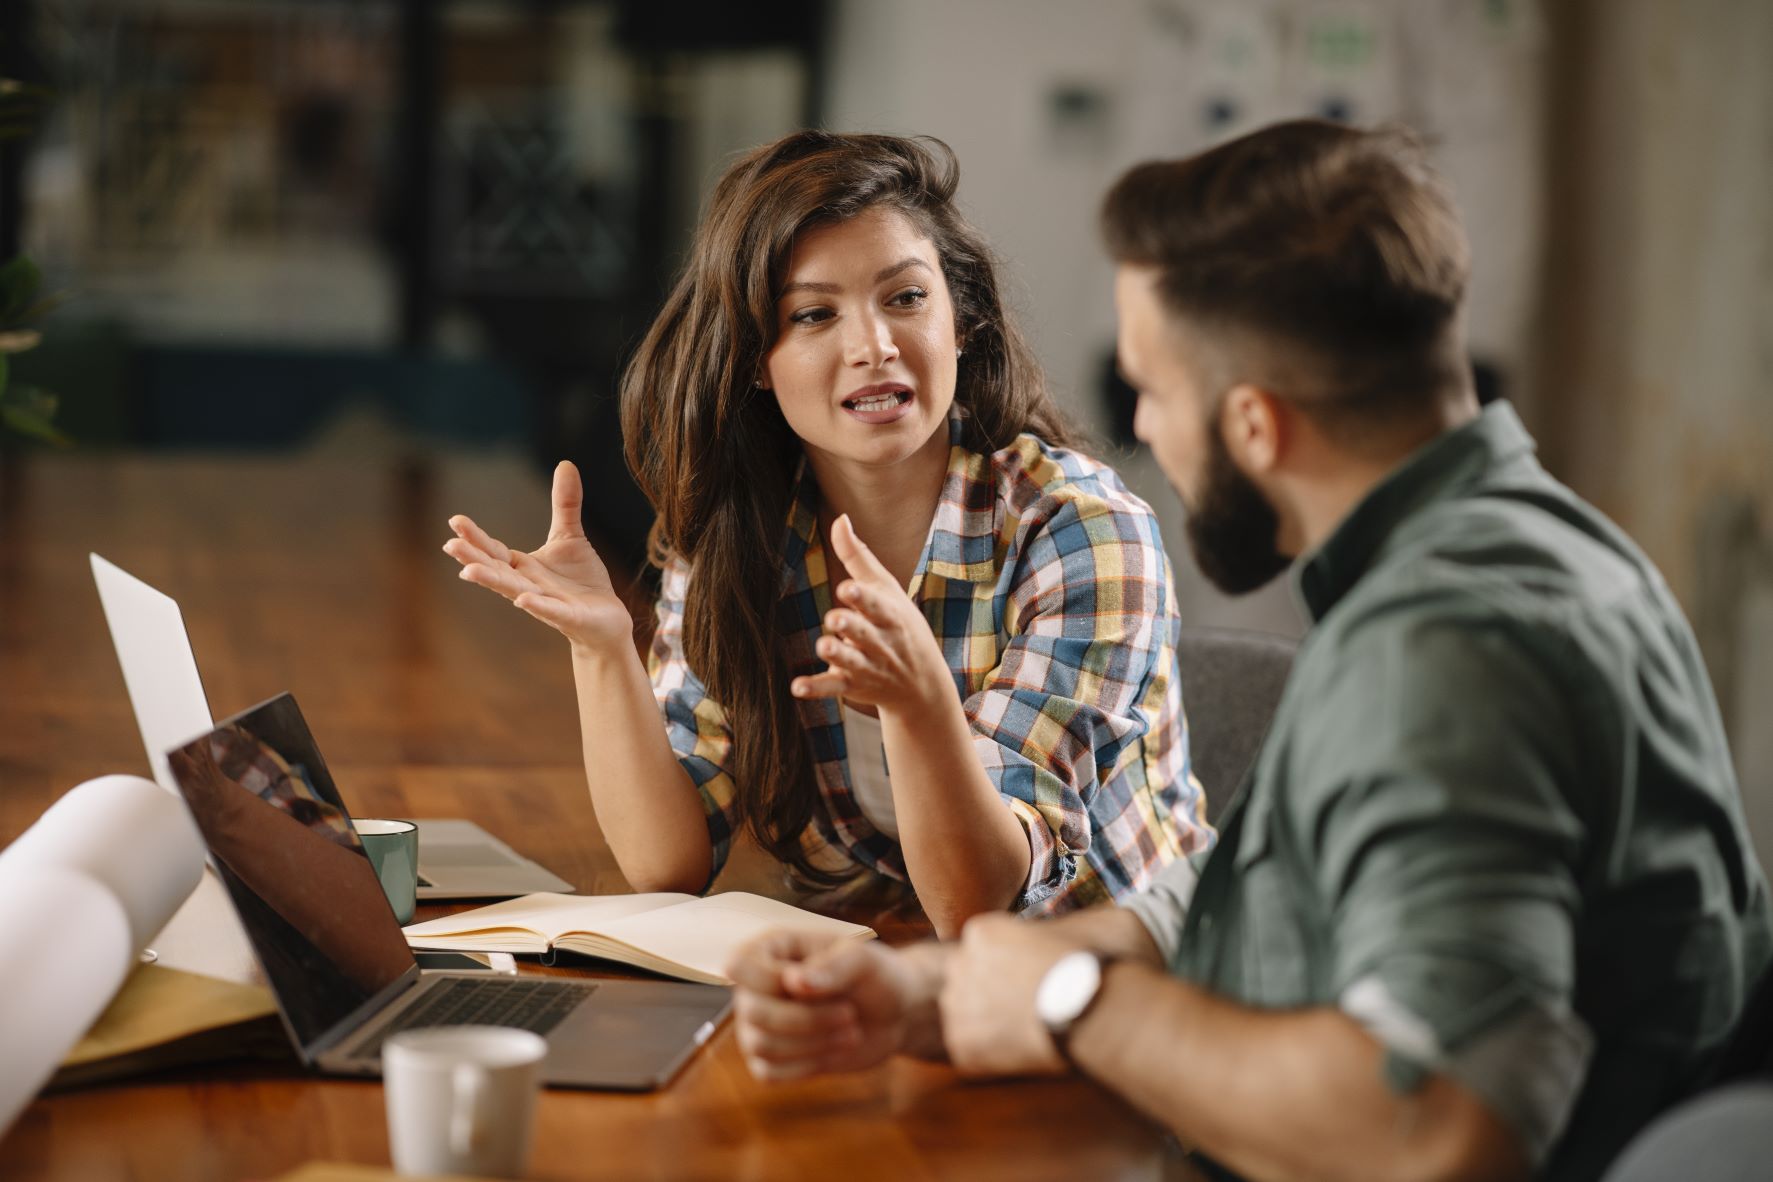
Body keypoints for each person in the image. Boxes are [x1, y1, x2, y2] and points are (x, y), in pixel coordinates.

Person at [723, 120, 1773, 1182]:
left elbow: (1438, 1128)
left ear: (1257, 427)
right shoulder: (1533, 547)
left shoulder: (1446, 655)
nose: (1144, 429)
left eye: (1156, 390)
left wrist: (1070, 1003)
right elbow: (1258, 888)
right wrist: (943, 993)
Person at [443, 131, 1209, 937]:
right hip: (902, 963)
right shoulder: (744, 537)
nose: (872, 346)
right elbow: (665, 863)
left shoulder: (1082, 531)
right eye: (813, 314)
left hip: (1124, 983)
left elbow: (979, 901)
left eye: (905, 299)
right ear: (753, 362)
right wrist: (602, 649)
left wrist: (919, 707)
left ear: (963, 320)